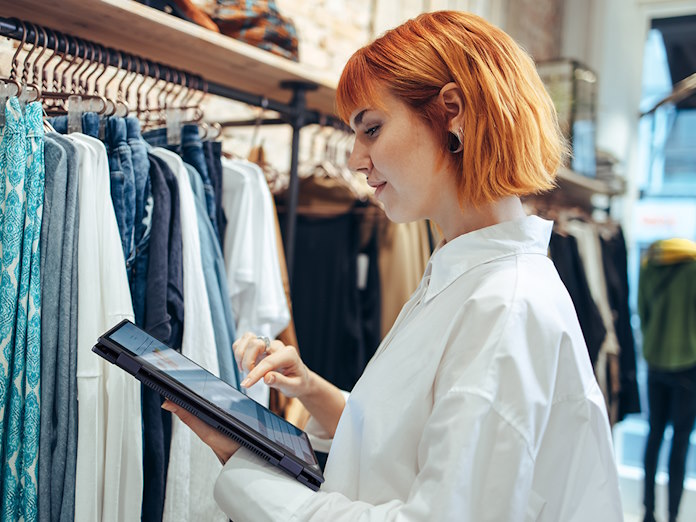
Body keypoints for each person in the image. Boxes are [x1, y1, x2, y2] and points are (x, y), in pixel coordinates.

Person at [163, 10, 623, 521]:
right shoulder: (465, 274)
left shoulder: (503, 305)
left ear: (453, 113)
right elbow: (413, 445)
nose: (356, 159)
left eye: (372, 129)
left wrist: (241, 465)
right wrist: (313, 391)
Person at [638, 238, 696, 522]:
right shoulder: (694, 269)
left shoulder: (649, 266)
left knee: (654, 435)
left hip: (655, 361)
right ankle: (673, 516)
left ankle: (648, 512)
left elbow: (642, 311)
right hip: (688, 363)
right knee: (680, 442)